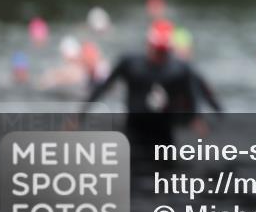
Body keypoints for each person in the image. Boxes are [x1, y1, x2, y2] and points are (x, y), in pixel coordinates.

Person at [85, 19, 222, 157]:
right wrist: (81, 112)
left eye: (163, 52)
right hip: (134, 128)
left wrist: (196, 117)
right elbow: (104, 86)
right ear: (148, 44)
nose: (159, 56)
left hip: (164, 132)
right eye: (157, 50)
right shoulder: (130, 64)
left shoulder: (180, 69)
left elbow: (196, 93)